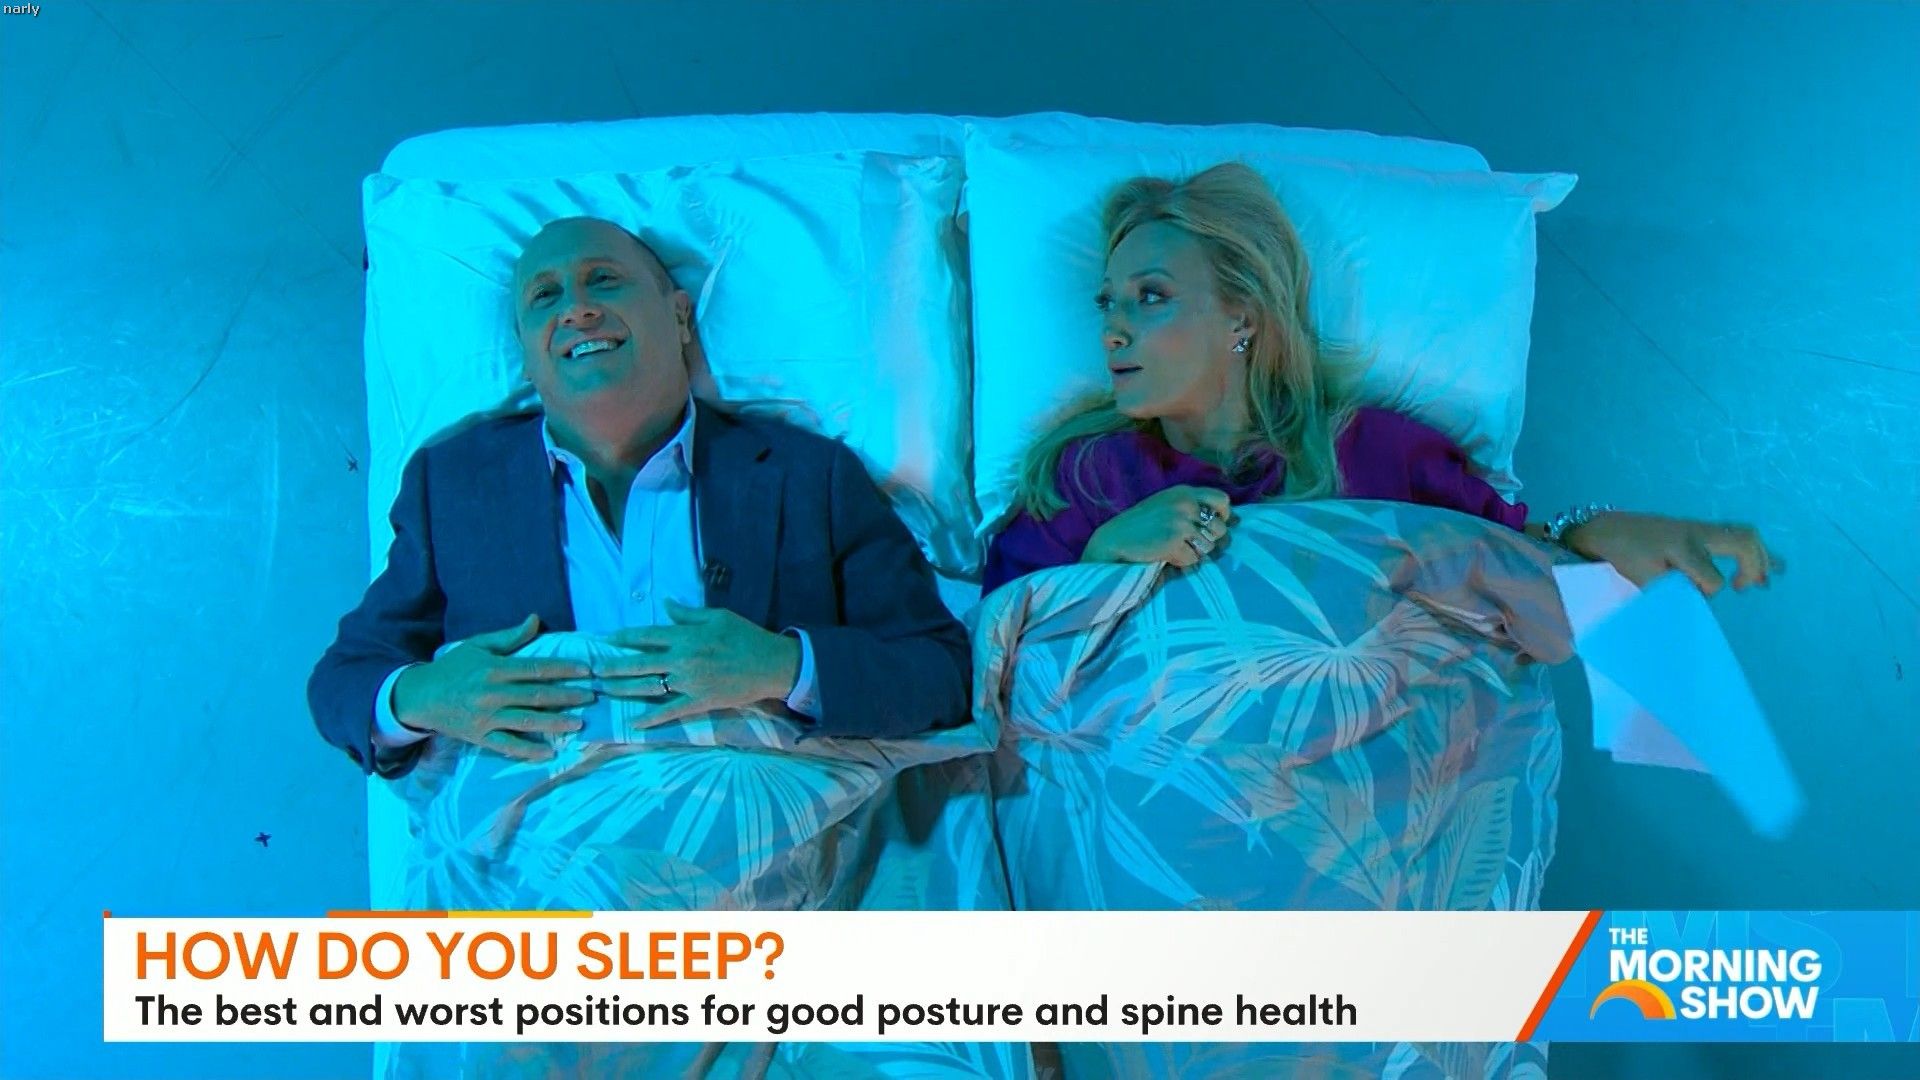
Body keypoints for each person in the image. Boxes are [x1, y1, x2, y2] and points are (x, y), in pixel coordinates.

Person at [310, 216, 970, 778]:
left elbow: (940, 672)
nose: (576, 309)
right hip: (540, 869)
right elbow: (343, 681)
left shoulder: (806, 477)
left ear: (679, 316)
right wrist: (425, 694)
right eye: (545, 296)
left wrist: (783, 666)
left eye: (604, 280)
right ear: (527, 355)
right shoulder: (453, 486)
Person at [983, 163, 1783, 594]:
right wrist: (1104, 556)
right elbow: (996, 659)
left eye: (1151, 296)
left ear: (1244, 315)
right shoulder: (1084, 476)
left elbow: (1511, 564)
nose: (1112, 327)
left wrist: (1595, 536)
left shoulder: (1377, 454)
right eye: (1107, 302)